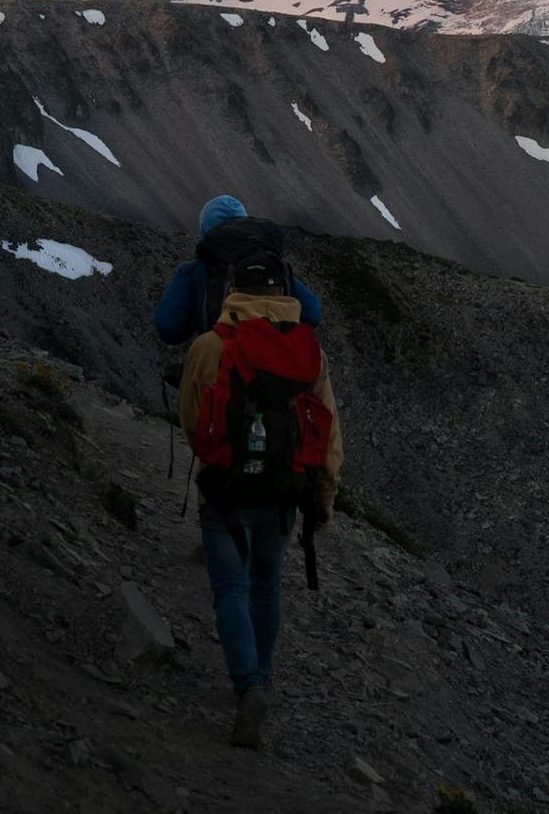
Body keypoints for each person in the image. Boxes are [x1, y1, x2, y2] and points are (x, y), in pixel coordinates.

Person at [177, 250, 343, 749]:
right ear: (282, 291)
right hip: (283, 494)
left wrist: (215, 458)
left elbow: (190, 416)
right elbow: (329, 433)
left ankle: (247, 684)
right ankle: (263, 678)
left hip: (225, 487)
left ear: (236, 289)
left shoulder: (211, 344)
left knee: (230, 589)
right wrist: (323, 499)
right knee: (266, 586)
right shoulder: (310, 351)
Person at [153, 195, 322, 344]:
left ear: (206, 230)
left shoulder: (194, 271)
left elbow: (168, 329)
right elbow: (312, 313)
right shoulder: (275, 266)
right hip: (273, 368)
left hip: (220, 366)